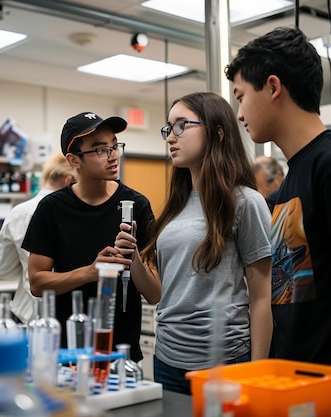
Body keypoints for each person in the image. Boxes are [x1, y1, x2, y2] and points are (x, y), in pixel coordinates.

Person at [225, 26, 331, 402]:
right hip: (298, 389)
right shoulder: (291, 180)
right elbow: (293, 299)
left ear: (272, 87)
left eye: (241, 97)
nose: (239, 114)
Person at [114, 92, 273, 395]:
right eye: (168, 128)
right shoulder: (175, 206)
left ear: (217, 132)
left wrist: (257, 373)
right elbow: (155, 295)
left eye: (181, 126)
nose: (170, 137)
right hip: (167, 358)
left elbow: (262, 299)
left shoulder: (245, 202)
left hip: (224, 361)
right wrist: (133, 256)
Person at [21, 112, 160, 361]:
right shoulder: (52, 209)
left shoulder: (137, 205)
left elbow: (154, 293)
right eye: (99, 149)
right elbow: (36, 283)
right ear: (74, 160)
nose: (113, 155)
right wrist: (91, 272)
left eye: (114, 145)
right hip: (69, 351)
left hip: (122, 352)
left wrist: (134, 257)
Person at [0, 151, 77, 323]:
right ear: (68, 180)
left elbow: (3, 271)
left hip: (28, 313)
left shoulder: (19, 213)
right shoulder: (72, 213)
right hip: (67, 312)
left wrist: (26, 265)